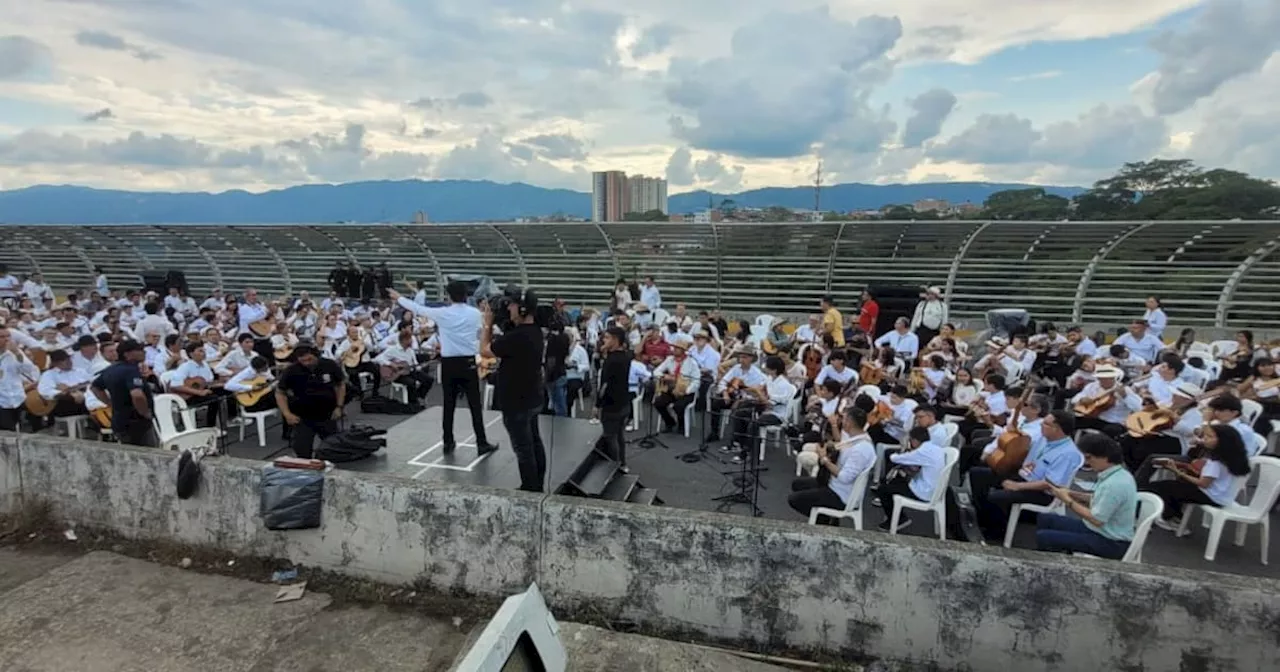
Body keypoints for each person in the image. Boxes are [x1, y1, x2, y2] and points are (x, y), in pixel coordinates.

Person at [390, 283, 497, 454]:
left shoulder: (442, 313)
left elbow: (418, 308)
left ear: (449, 296)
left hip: (449, 363)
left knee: (449, 404)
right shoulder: (475, 313)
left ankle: (448, 441)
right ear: (465, 295)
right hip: (468, 362)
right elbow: (481, 332)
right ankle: (481, 442)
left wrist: (399, 298)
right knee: (475, 404)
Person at [970, 410, 1079, 542]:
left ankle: (997, 533)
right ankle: (982, 516)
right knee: (979, 474)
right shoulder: (1044, 439)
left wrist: (1018, 486)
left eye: (1045, 424)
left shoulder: (1068, 453)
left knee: (997, 496)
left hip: (1041, 491)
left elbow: (1050, 483)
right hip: (1025, 476)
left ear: (1057, 429)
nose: (1041, 426)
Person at [481, 288, 546, 492]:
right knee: (534, 442)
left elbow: (484, 350)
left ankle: (530, 489)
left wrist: (487, 324)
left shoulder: (516, 337)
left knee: (524, 449)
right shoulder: (534, 331)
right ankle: (537, 484)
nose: (508, 308)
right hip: (532, 397)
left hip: (516, 402)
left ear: (523, 308)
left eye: (512, 304)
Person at [1035, 433, 1137, 560]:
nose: (1087, 463)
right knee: (1046, 519)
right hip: (1099, 530)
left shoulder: (1115, 484)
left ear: (1105, 457)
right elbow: (1099, 499)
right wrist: (1071, 493)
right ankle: (1059, 555)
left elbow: (1097, 519)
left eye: (1089, 458)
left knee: (1045, 537)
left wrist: (1067, 500)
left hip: (1111, 541)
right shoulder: (1116, 474)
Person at [1144, 424, 1252, 531]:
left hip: (1211, 496)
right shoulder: (1235, 456)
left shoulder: (1215, 461)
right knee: (1175, 486)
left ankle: (1170, 519)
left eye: (1209, 437)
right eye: (1205, 436)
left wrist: (1177, 471)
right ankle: (1175, 516)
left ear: (1222, 441)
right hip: (1223, 496)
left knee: (1162, 487)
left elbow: (1203, 484)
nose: (1205, 439)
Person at [787, 407, 875, 525]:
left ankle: (824, 521)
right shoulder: (857, 438)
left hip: (841, 495)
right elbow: (841, 444)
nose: (841, 421)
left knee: (794, 499)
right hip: (834, 484)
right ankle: (828, 519)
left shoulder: (861, 450)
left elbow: (844, 477)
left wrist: (824, 459)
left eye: (843, 419)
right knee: (797, 484)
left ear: (849, 422)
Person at [274, 345, 346, 459]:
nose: (307, 363)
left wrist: (339, 406)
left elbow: (340, 385)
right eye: (303, 361)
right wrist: (287, 414)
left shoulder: (329, 365)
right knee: (302, 451)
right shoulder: (292, 370)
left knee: (334, 448)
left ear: (316, 355)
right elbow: (279, 392)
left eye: (310, 359)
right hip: (302, 417)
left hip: (327, 414)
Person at [90, 340, 156, 447]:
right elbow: (137, 394)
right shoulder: (131, 370)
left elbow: (95, 387)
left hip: (119, 419)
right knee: (148, 455)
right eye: (139, 350)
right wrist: (144, 412)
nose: (143, 352)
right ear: (127, 354)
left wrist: (109, 403)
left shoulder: (111, 370)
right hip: (136, 422)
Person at [595, 326, 633, 470]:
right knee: (619, 435)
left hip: (611, 405)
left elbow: (604, 385)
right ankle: (623, 463)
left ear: (615, 340)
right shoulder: (625, 356)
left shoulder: (611, 361)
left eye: (607, 337)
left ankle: (615, 466)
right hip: (624, 401)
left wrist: (597, 405)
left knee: (610, 436)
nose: (604, 340)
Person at [0, 327, 39, 431]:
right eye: (2, 337)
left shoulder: (15, 352)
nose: (6, 339)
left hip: (17, 396)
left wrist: (17, 352)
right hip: (2, 400)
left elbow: (28, 368)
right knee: (7, 430)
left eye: (8, 336)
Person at [544, 321, 571, 416]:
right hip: (562, 372)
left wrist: (547, 376)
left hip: (553, 376)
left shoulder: (553, 341)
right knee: (559, 402)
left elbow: (551, 360)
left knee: (557, 404)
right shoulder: (565, 338)